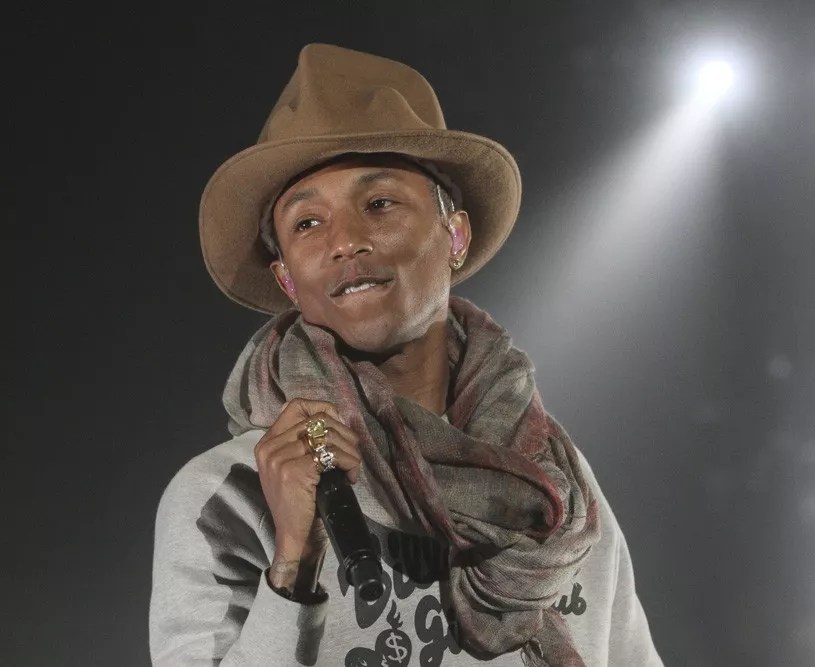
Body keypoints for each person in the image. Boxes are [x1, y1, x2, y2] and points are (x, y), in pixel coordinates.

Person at [149, 43, 663, 666]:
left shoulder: (554, 482)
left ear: (455, 234)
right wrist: (292, 565)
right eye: (307, 223)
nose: (345, 242)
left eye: (379, 204)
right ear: (287, 280)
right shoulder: (226, 495)